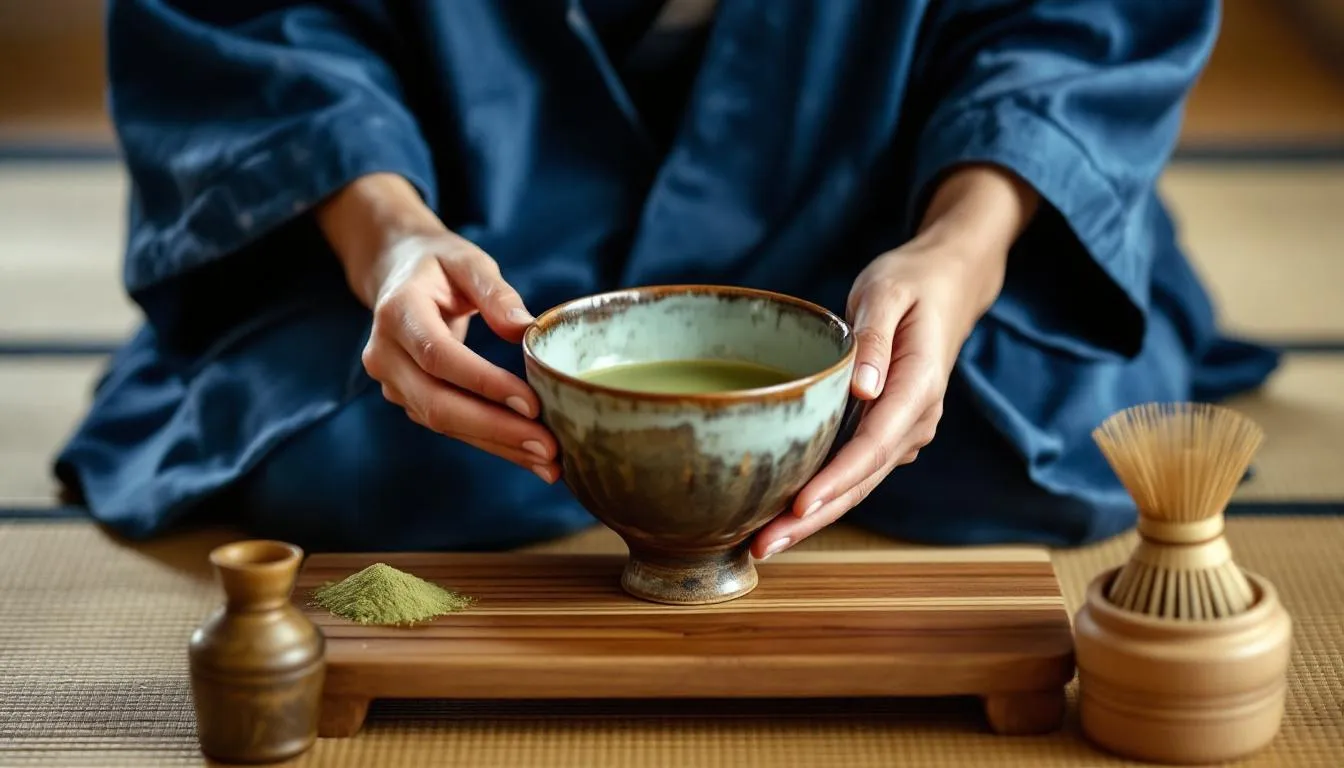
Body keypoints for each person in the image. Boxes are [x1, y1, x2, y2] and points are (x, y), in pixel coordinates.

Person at [56, 0, 1279, 557]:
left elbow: (1071, 28)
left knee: (1037, 428)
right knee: (382, 442)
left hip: (871, 150)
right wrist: (384, 232)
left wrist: (964, 244)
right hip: (468, 165)